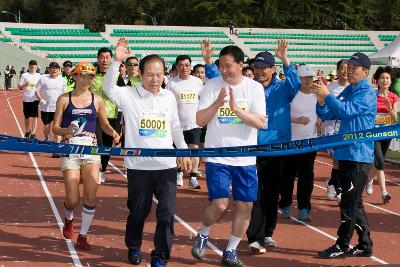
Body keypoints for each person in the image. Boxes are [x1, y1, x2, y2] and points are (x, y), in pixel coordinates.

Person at [103, 37, 191, 267]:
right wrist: (117, 60)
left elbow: (174, 127)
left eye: (160, 74)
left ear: (165, 75)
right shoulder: (129, 95)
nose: (155, 79)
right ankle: (133, 246)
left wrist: (183, 151)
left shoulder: (168, 97)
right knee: (139, 212)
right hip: (139, 168)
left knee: (166, 214)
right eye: (150, 74)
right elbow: (107, 88)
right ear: (139, 74)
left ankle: (160, 255)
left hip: (166, 167)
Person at [191, 45, 266, 267]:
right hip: (218, 156)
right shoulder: (212, 86)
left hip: (245, 158)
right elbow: (200, 121)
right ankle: (203, 233)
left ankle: (231, 250)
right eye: (220, 66)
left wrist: (237, 110)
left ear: (241, 65)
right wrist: (217, 103)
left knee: (245, 207)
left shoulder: (254, 88)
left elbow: (260, 122)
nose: (223, 70)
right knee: (221, 205)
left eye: (228, 66)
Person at [314, 52, 376, 258]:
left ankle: (342, 245)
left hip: (359, 154)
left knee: (349, 202)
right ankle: (365, 244)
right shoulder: (349, 90)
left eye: (354, 68)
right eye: (348, 67)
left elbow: (346, 111)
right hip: (346, 152)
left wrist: (328, 96)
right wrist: (321, 100)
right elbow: (328, 114)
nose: (349, 71)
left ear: (365, 72)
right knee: (354, 202)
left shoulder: (367, 92)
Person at [52, 62, 120, 250]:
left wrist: (113, 132)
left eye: (90, 76)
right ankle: (69, 218)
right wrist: (66, 130)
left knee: (90, 196)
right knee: (72, 198)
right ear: (74, 76)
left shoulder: (97, 100)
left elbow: (104, 124)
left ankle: (83, 235)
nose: (86, 79)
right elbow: (55, 127)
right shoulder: (64, 99)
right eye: (82, 75)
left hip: (91, 151)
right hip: (70, 150)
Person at [246, 40, 301, 254]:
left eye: (263, 67)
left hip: (277, 149)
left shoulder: (282, 88)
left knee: (271, 193)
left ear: (272, 69)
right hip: (252, 148)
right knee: (254, 194)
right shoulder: (249, 88)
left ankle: (268, 232)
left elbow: (296, 84)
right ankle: (254, 236)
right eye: (256, 67)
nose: (259, 71)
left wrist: (285, 59)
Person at [279, 64, 318, 221]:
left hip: (310, 143)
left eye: (310, 77)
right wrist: (297, 120)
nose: (308, 80)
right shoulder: (291, 94)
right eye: (304, 78)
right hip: (291, 143)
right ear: (299, 79)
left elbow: (323, 111)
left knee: (306, 177)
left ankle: (304, 208)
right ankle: (285, 205)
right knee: (287, 176)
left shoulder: (317, 94)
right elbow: (280, 117)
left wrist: (321, 118)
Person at [166, 55, 203, 189]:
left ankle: (193, 177)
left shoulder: (198, 82)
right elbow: (167, 102)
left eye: (187, 65)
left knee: (194, 149)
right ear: (177, 67)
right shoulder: (171, 83)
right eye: (181, 65)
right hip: (177, 124)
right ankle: (179, 173)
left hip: (194, 123)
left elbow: (202, 100)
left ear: (190, 66)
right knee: (179, 151)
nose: (184, 68)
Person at [366, 66, 398, 204]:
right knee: (379, 161)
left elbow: (394, 117)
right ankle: (384, 192)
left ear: (391, 81)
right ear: (377, 80)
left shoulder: (393, 96)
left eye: (387, 78)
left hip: (388, 132)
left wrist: (389, 106)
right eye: (382, 78)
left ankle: (369, 179)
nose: (385, 80)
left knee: (379, 161)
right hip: (374, 133)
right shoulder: (372, 95)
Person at [90, 47, 119, 183]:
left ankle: (102, 170)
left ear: (111, 59)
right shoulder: (91, 74)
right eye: (102, 57)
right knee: (98, 143)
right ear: (98, 59)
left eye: (107, 57)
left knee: (107, 146)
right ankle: (95, 168)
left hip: (111, 115)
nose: (105, 60)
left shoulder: (116, 75)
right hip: (94, 115)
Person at [325, 59, 349, 202]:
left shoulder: (352, 88)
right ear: (337, 70)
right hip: (331, 127)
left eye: (348, 68)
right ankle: (337, 187)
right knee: (336, 160)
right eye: (342, 68)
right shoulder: (329, 87)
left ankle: (334, 184)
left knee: (341, 160)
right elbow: (322, 105)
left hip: (345, 128)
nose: (345, 71)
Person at [35, 62, 66, 145]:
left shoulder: (62, 80)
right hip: (46, 107)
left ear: (59, 70)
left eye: (56, 68)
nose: (54, 69)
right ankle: (47, 138)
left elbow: (64, 93)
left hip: (58, 108)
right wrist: (41, 99)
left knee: (57, 127)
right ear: (48, 69)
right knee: (47, 127)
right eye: (52, 68)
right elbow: (37, 91)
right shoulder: (43, 78)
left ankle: (57, 145)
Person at [18, 60, 42, 139]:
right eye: (31, 65)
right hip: (26, 98)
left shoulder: (39, 75)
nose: (32, 66)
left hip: (35, 99)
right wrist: (25, 84)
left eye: (34, 65)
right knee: (27, 117)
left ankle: (34, 133)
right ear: (29, 66)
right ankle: (27, 130)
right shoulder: (24, 75)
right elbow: (19, 87)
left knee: (35, 116)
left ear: (36, 66)